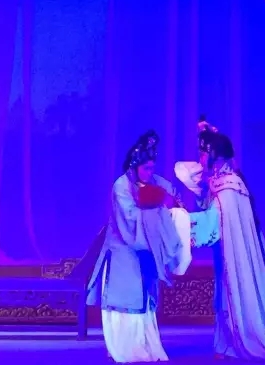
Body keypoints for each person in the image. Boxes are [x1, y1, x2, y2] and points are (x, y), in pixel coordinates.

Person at [175, 122, 265, 361]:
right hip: (226, 254)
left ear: (216, 155)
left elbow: (213, 223)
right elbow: (203, 195)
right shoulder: (221, 182)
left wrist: (180, 220)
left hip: (236, 256)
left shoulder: (230, 186)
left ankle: (242, 341)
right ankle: (226, 345)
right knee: (225, 293)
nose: (200, 158)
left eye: (204, 153)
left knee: (234, 291)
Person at [87, 130, 190, 363]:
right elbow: (130, 219)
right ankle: (123, 349)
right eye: (146, 168)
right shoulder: (121, 186)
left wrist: (171, 207)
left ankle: (146, 346)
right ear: (134, 166)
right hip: (123, 251)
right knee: (127, 300)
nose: (150, 172)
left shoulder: (155, 182)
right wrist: (158, 213)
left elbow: (173, 197)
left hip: (146, 253)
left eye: (152, 168)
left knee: (145, 301)